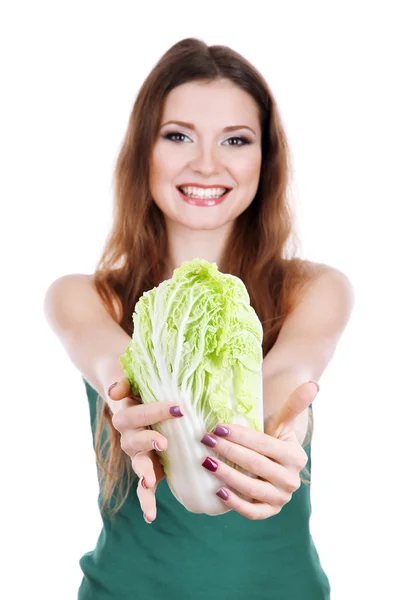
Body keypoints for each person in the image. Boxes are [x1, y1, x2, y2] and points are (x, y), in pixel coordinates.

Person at [44, 37, 354, 599]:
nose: (207, 163)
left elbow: (290, 373)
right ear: (144, 151)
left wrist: (283, 429)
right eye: (178, 135)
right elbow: (116, 374)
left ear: (266, 159)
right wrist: (129, 406)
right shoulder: (87, 297)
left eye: (236, 140)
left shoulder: (313, 289)